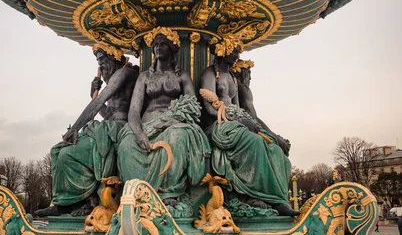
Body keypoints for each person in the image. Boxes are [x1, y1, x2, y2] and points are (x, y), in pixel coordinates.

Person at [36, 42, 138, 217]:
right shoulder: (115, 77)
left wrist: (76, 127)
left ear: (113, 56)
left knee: (67, 154)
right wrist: (92, 95)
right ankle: (63, 202)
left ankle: (89, 200)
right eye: (98, 61)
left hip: (118, 128)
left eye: (102, 59)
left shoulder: (124, 72)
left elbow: (99, 103)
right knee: (56, 151)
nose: (100, 65)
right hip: (107, 126)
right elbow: (106, 112)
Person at [200, 37, 298, 216]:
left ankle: (277, 199)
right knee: (254, 142)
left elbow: (239, 110)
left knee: (274, 150)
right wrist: (235, 119)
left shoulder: (233, 79)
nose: (238, 54)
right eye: (235, 50)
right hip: (218, 125)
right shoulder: (210, 74)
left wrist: (261, 129)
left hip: (235, 124)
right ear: (223, 51)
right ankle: (253, 195)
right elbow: (207, 108)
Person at [117, 27, 210, 201]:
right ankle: (137, 194)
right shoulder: (144, 77)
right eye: (155, 45)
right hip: (147, 123)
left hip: (173, 122)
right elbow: (134, 111)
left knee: (178, 136)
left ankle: (170, 193)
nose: (158, 48)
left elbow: (193, 105)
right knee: (127, 144)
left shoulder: (182, 76)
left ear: (172, 48)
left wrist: (172, 119)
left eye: (163, 44)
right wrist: (139, 133)